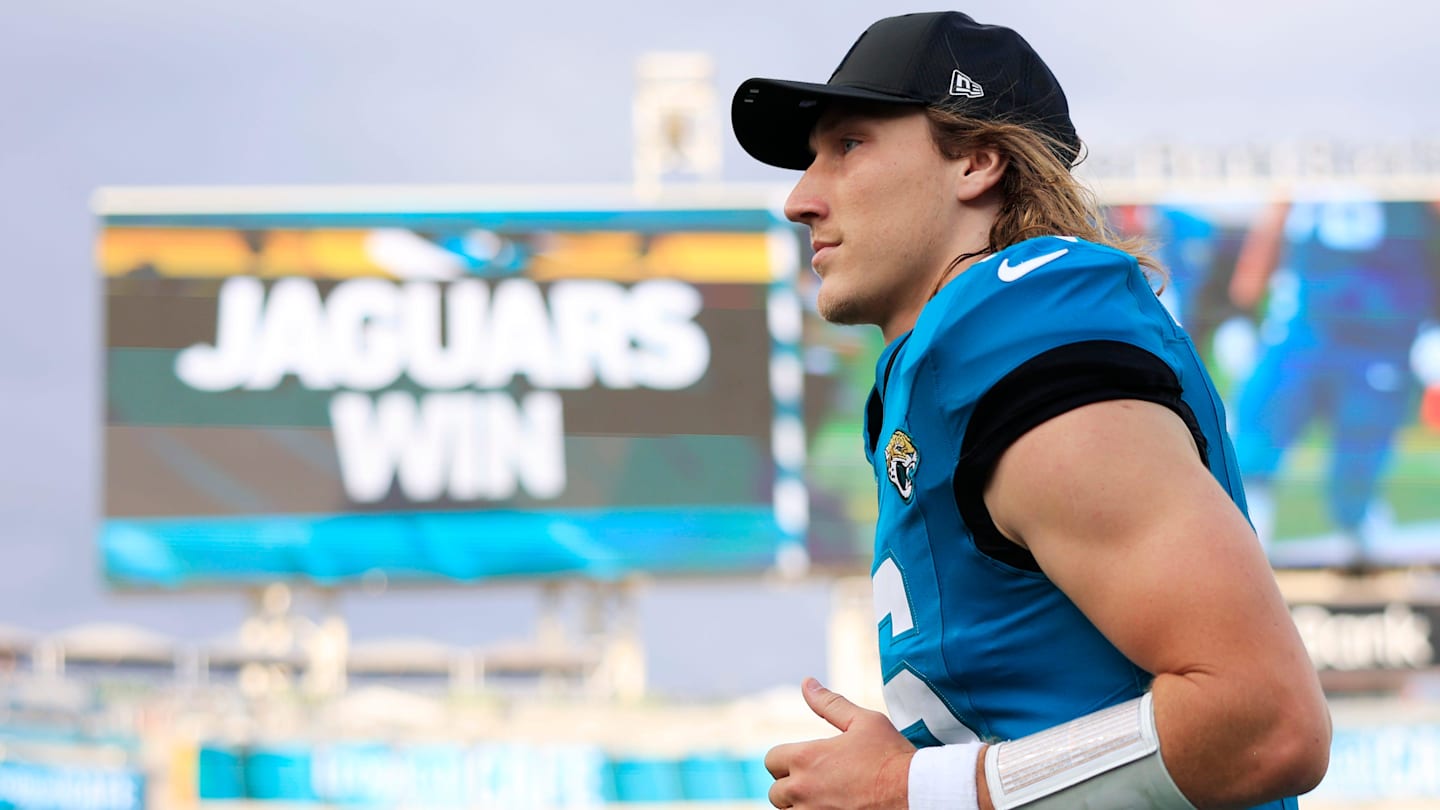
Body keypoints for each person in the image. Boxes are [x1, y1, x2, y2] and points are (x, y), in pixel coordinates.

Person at [730, 11, 1331, 810]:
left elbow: (1264, 723)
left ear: (977, 161)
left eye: (849, 145)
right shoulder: (951, 359)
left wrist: (910, 786)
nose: (800, 199)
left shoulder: (1024, 343)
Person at [1228, 196, 1440, 571]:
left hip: (1382, 333)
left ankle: (1360, 535)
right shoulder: (1303, 171)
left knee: (1359, 456)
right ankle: (1245, 547)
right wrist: (1242, 311)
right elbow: (1274, 221)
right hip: (1302, 326)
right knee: (1253, 443)